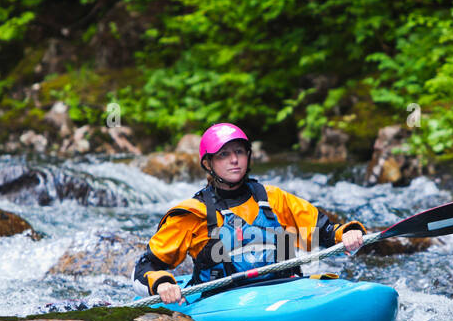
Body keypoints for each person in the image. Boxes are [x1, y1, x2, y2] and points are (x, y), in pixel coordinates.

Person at [135, 123, 367, 304]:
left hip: (287, 291)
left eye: (239, 152)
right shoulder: (192, 213)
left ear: (248, 155)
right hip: (223, 303)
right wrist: (163, 283)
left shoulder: (274, 198)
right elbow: (146, 267)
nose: (234, 160)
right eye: (223, 154)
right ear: (208, 163)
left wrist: (348, 234)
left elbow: (325, 233)